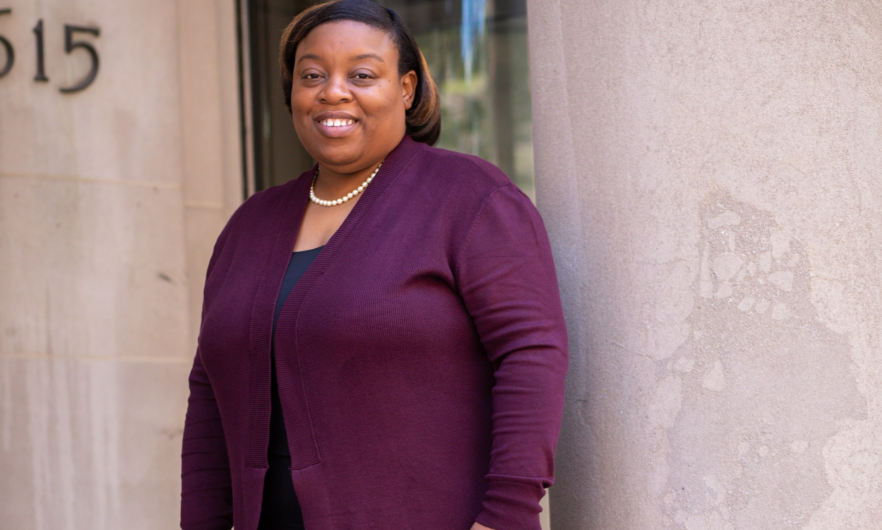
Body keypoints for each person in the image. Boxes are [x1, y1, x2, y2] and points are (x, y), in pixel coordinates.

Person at [180, 1, 568, 529]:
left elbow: (531, 355)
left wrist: (506, 518)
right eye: (312, 75)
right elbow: (209, 393)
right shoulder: (250, 225)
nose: (333, 91)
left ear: (406, 89)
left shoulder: (470, 199)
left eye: (362, 74)